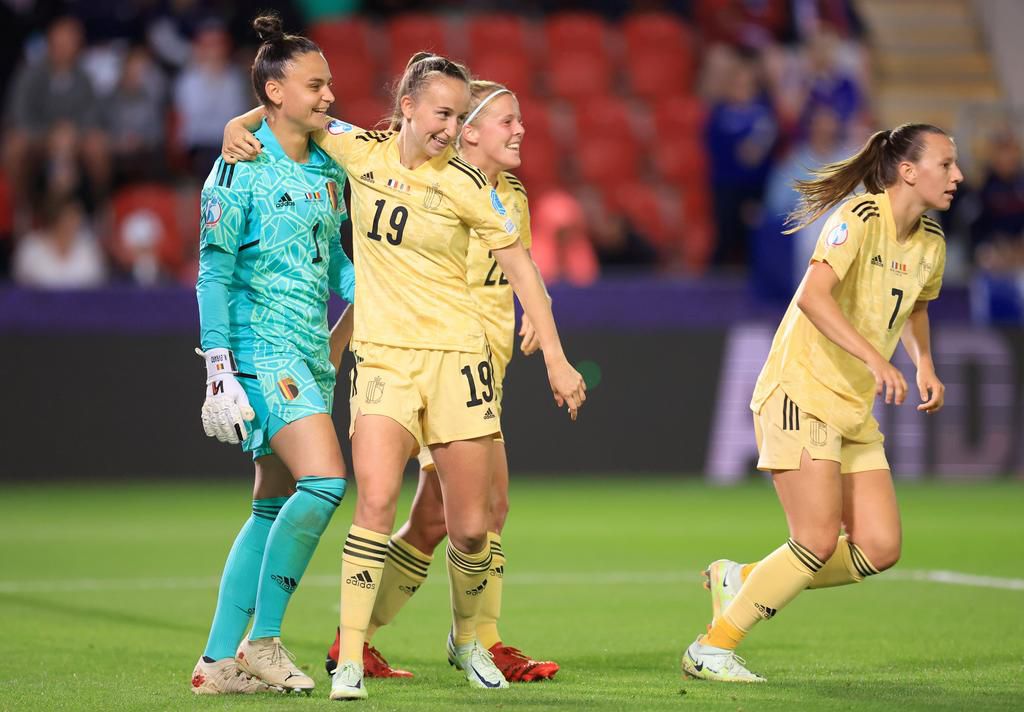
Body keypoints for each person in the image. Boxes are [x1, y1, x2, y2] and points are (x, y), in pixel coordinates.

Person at [222, 52, 586, 700]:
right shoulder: (361, 152)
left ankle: (472, 639)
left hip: (458, 363)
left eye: (457, 115)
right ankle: (353, 656)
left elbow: (524, 269)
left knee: (473, 524)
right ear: (409, 108)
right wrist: (241, 120)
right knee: (376, 501)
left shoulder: (469, 186)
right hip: (386, 360)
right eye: (442, 113)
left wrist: (556, 358)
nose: (448, 127)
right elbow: (300, 113)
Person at [681, 123, 962, 682]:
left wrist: (923, 362)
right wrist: (878, 360)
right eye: (947, 164)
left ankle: (743, 577)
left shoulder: (931, 240)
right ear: (908, 171)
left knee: (878, 547)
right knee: (812, 538)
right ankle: (711, 647)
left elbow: (917, 307)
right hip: (800, 389)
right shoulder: (859, 219)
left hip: (852, 405)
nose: (958, 175)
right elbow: (811, 296)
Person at [321, 79, 559, 683]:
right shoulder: (422, 175)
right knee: (478, 510)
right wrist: (342, 343)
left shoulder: (509, 196)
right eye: (506, 120)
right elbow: (394, 277)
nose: (519, 130)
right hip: (429, 364)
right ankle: (479, 637)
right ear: (469, 130)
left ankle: (365, 640)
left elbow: (518, 273)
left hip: (477, 371)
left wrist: (537, 316)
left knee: (440, 520)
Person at [191, 14, 353, 696]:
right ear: (274, 92)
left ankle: (217, 662)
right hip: (262, 349)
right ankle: (264, 640)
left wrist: (371, 289)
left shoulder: (328, 162)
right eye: (314, 86)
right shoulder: (238, 167)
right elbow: (212, 272)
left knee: (271, 502)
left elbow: (334, 262)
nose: (328, 97)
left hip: (310, 349)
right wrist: (218, 368)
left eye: (330, 84)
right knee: (325, 482)